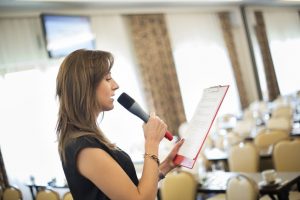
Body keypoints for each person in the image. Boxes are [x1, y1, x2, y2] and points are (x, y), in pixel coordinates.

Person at [56, 49, 184, 200]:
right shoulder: (84, 148)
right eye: (108, 78)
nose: (115, 85)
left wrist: (166, 165)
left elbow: (132, 191)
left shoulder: (87, 139)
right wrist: (152, 142)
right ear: (86, 86)